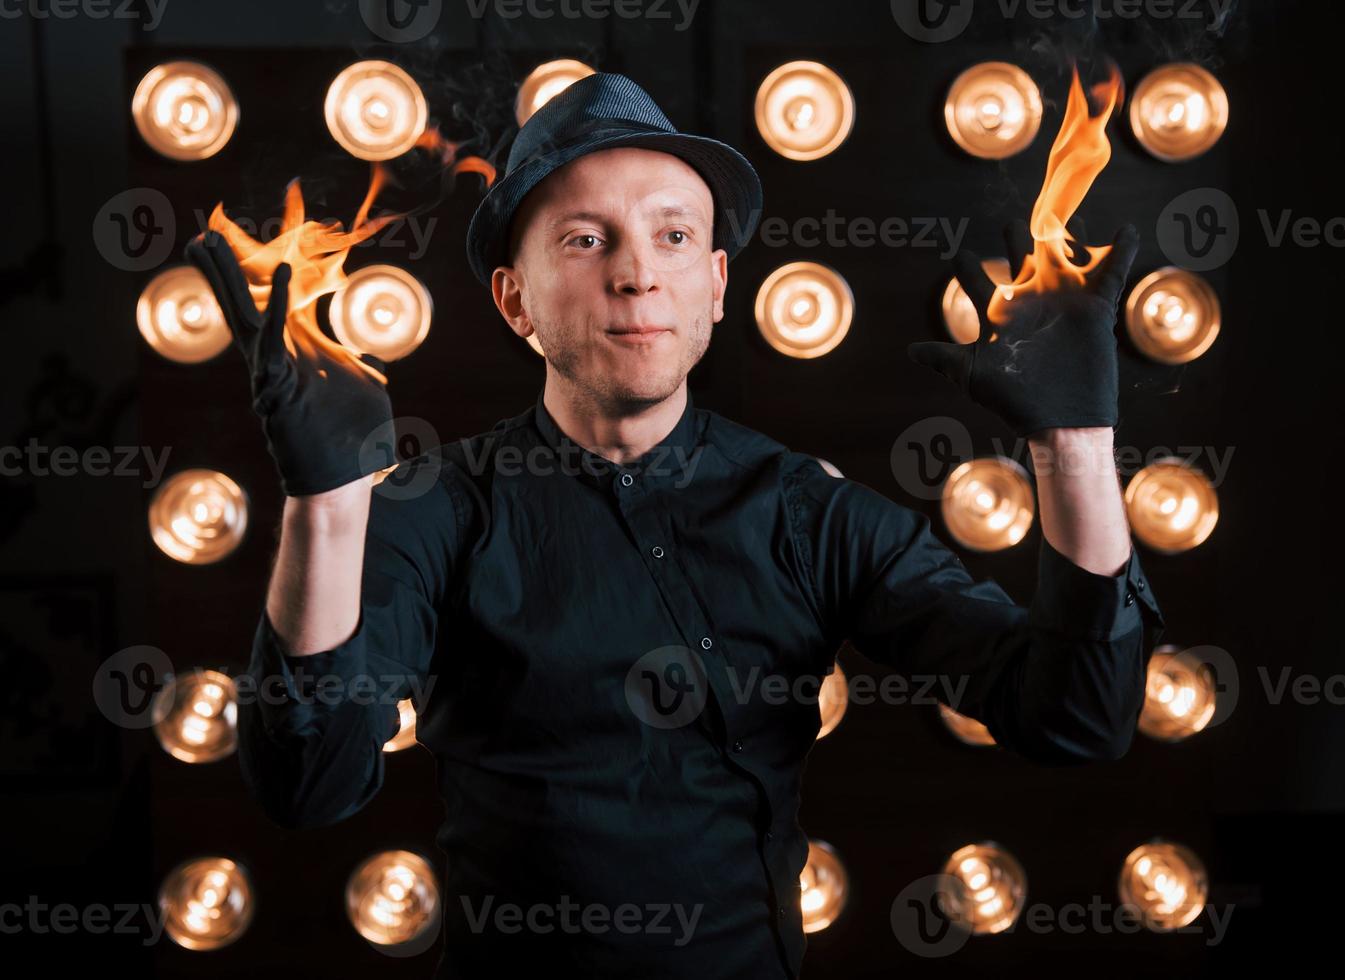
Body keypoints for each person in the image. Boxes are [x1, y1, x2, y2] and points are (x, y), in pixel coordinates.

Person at [185, 71, 1165, 979]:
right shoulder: (433, 511)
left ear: (720, 286)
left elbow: (1074, 716)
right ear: (512, 297)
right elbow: (307, 780)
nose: (636, 274)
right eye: (585, 238)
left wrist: (1074, 444)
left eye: (673, 236)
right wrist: (323, 500)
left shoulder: (806, 509)